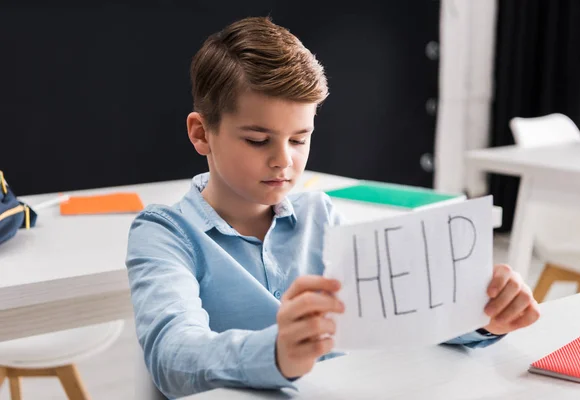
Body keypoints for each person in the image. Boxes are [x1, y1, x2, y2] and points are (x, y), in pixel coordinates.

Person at [126, 16, 540, 399]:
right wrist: (275, 352)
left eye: (299, 138)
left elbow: (399, 316)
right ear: (202, 134)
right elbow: (172, 354)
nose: (283, 160)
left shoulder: (319, 215)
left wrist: (481, 316)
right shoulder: (164, 233)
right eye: (257, 140)